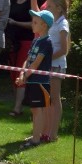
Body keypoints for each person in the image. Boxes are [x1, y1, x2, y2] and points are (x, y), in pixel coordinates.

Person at [16, 10, 53, 147]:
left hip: (40, 81)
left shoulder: (47, 42)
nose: (33, 24)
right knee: (34, 109)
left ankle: (36, 139)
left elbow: (37, 63)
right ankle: (36, 135)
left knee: (38, 110)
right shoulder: (36, 40)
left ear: (44, 25)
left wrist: (24, 76)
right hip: (31, 79)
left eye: (36, 22)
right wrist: (22, 74)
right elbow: (28, 59)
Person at [6, 0, 39, 116]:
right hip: (13, 41)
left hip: (26, 40)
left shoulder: (31, 2)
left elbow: (34, 24)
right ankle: (17, 104)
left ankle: (18, 107)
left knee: (21, 71)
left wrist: (15, 22)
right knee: (13, 73)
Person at [44, 0, 70, 141]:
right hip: (48, 64)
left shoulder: (63, 24)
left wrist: (47, 58)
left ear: (59, 8)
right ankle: (45, 131)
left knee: (54, 98)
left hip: (57, 65)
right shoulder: (53, 22)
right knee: (46, 99)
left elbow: (63, 50)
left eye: (50, 6)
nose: (47, 8)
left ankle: (53, 134)